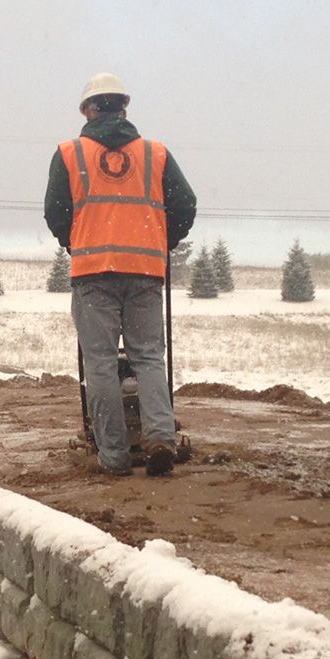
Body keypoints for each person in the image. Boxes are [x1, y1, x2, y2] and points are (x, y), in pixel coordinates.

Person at [44, 72, 198, 477]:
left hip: (93, 272)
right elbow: (185, 205)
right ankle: (160, 438)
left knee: (99, 364)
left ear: (88, 111)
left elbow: (55, 212)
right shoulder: (155, 153)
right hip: (146, 270)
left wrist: (74, 240)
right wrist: (162, 241)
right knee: (149, 358)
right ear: (124, 108)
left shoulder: (69, 153)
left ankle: (113, 456)